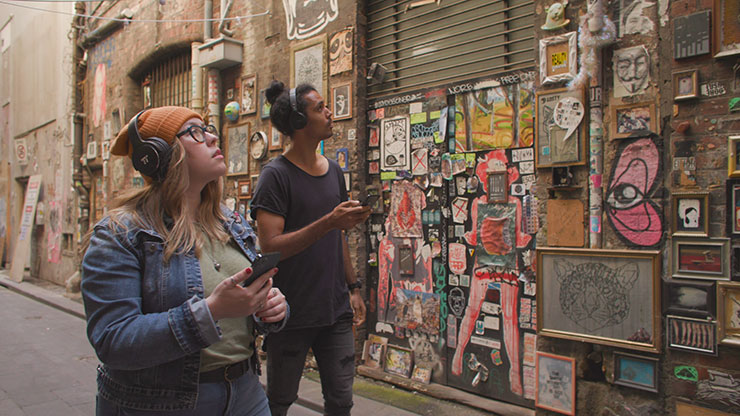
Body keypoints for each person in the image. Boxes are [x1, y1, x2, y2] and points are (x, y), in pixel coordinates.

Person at [81, 106, 288, 415]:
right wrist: (212, 311)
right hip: (163, 402)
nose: (212, 137)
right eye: (194, 131)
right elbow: (113, 340)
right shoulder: (121, 233)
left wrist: (270, 308)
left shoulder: (230, 222)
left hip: (246, 392)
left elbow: (244, 307)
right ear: (160, 154)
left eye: (207, 128)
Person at [249, 81, 371, 416]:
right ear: (299, 123)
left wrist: (353, 287)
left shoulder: (333, 171)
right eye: (320, 108)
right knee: (279, 401)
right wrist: (329, 222)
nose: (330, 113)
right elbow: (270, 247)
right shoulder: (275, 176)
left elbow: (339, 236)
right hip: (290, 311)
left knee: (341, 402)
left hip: (334, 310)